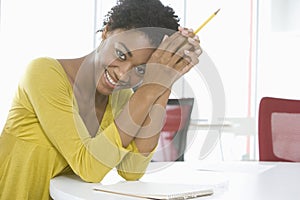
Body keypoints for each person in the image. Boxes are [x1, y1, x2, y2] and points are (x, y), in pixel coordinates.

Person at [0, 0, 201, 199]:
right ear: (107, 31)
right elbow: (89, 166)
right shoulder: (44, 74)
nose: (123, 75)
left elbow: (132, 170)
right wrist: (149, 89)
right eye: (121, 55)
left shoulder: (120, 97)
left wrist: (166, 79)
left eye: (140, 69)